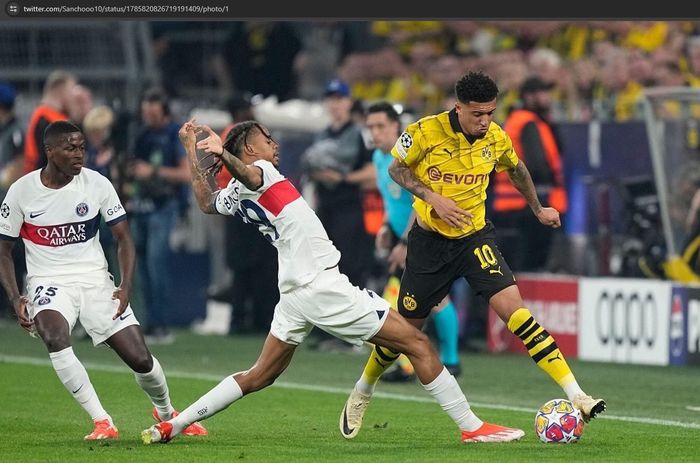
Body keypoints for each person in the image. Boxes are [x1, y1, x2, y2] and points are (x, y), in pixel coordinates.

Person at [139, 119, 525, 445]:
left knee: (261, 374)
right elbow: (247, 171)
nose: (274, 145)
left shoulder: (236, 195)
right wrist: (222, 154)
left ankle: (175, 423)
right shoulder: (262, 174)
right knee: (417, 342)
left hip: (294, 292)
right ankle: (472, 427)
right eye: (266, 140)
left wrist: (191, 148)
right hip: (322, 287)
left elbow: (207, 202)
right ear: (251, 151)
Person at [340, 71, 605, 439]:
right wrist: (433, 198)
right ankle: (363, 389)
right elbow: (396, 168)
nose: (485, 121)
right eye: (477, 114)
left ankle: (577, 395)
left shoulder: (495, 137)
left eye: (490, 113)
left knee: (519, 313)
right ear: (459, 107)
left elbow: (517, 169)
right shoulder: (424, 132)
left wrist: (538, 208)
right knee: (404, 331)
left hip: (475, 238)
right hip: (430, 244)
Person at [0, 121, 207, 440]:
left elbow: (124, 239)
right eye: (70, 148)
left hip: (95, 279)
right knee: (54, 336)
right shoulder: (22, 192)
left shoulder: (96, 184)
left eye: (82, 147)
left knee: (140, 358)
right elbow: (4, 249)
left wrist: (125, 286)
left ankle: (167, 413)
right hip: (48, 281)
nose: (79, 154)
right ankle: (102, 421)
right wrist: (16, 297)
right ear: (50, 151)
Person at [366, 101, 462, 382]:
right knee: (424, 300)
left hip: (424, 236)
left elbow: (420, 201)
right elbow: (392, 201)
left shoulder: (409, 157)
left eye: (380, 126)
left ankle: (433, 362)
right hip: (404, 238)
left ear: (396, 127)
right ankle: (441, 362)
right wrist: (385, 226)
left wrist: (406, 243)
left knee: (425, 300)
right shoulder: (378, 158)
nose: (375, 132)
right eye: (371, 127)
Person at [126, 88, 191, 344]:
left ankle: (160, 323)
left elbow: (186, 174)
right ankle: (148, 321)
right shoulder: (141, 135)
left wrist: (151, 171)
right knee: (141, 267)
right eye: (146, 113)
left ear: (164, 113)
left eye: (153, 114)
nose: (149, 119)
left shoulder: (175, 136)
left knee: (156, 263)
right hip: (141, 206)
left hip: (164, 207)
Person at [491, 76, 568, 272]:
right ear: (529, 96)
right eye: (543, 92)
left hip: (510, 205)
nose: (548, 97)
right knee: (530, 266)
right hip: (526, 206)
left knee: (510, 268)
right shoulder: (528, 122)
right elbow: (536, 165)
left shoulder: (520, 120)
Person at [24, 70, 76, 173]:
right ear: (61, 90)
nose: (73, 97)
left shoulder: (49, 116)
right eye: (71, 91)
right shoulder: (46, 120)